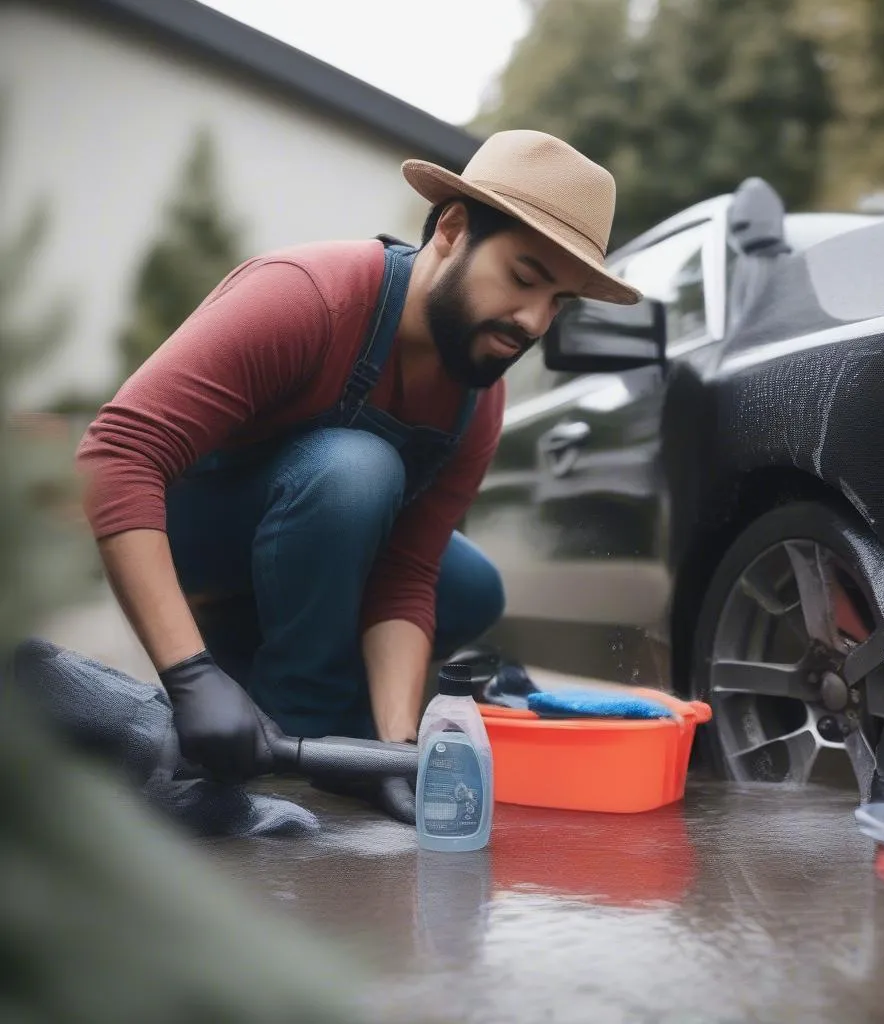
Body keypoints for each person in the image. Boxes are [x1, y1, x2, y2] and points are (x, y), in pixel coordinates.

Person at [75, 129, 641, 821]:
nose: (533, 321)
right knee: (356, 469)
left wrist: (397, 749)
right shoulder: (309, 296)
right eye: (524, 278)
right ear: (453, 231)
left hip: (306, 558)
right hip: (199, 543)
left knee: (470, 587)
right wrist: (189, 675)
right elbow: (117, 450)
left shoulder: (478, 394)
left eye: (560, 301)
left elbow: (407, 575)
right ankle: (286, 727)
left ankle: (304, 721)